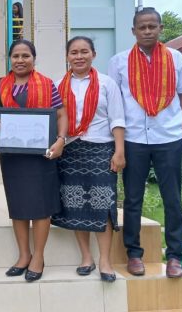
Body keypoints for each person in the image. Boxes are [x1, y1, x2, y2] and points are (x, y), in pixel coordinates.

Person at [108, 7, 182, 279]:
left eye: (152, 26)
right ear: (133, 31)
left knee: (173, 198)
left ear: (160, 28)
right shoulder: (119, 62)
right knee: (132, 198)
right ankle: (134, 253)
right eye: (141, 27)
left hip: (169, 137)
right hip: (133, 138)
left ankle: (175, 256)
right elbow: (115, 103)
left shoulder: (177, 59)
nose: (147, 31)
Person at [0, 39, 67, 282]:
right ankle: (23, 255)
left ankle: (38, 257)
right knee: (18, 206)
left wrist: (60, 139)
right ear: (10, 59)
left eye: (25, 56)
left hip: (42, 155)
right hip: (13, 156)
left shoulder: (47, 85)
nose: (20, 60)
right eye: (16, 56)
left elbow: (61, 114)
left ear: (34, 59)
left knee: (41, 207)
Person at [50, 36, 126, 282]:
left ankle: (105, 260)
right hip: (69, 150)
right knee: (75, 204)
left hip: (101, 149)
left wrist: (119, 151)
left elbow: (117, 118)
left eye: (84, 51)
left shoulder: (107, 84)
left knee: (102, 204)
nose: (79, 56)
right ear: (67, 56)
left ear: (94, 54)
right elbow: (51, 119)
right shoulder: (58, 85)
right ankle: (86, 257)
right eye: (74, 52)